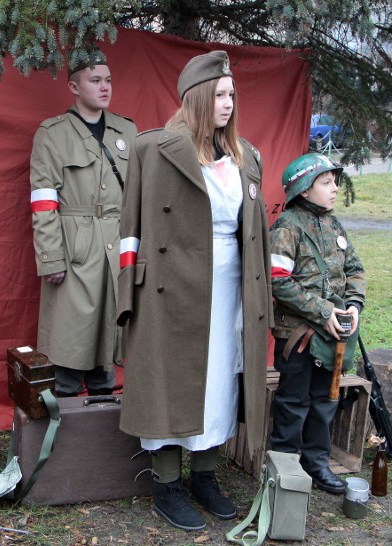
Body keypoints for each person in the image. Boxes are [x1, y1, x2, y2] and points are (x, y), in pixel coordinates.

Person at [117, 51, 272, 531]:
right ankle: (166, 485)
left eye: (232, 95)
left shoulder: (248, 158)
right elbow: (130, 234)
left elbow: (256, 236)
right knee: (169, 382)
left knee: (220, 379)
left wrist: (259, 296)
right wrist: (129, 298)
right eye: (220, 95)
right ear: (198, 97)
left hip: (230, 287)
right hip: (170, 291)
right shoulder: (151, 150)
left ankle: (204, 477)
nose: (228, 103)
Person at [29, 49, 138, 397]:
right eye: (95, 80)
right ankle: (64, 437)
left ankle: (102, 429)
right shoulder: (52, 134)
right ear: (74, 87)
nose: (104, 87)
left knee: (109, 343)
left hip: (117, 247)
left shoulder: (128, 130)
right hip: (75, 248)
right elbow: (43, 202)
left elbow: (138, 197)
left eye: (108, 80)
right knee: (69, 347)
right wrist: (50, 258)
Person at [268, 153, 366, 495]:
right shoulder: (286, 227)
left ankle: (316, 463)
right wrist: (322, 312)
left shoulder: (335, 225)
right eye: (326, 182)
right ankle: (282, 468)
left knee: (325, 400)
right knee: (293, 403)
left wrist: (352, 305)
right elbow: (278, 280)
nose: (334, 188)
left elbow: (354, 269)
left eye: (334, 181)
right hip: (299, 336)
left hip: (334, 335)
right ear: (304, 190)